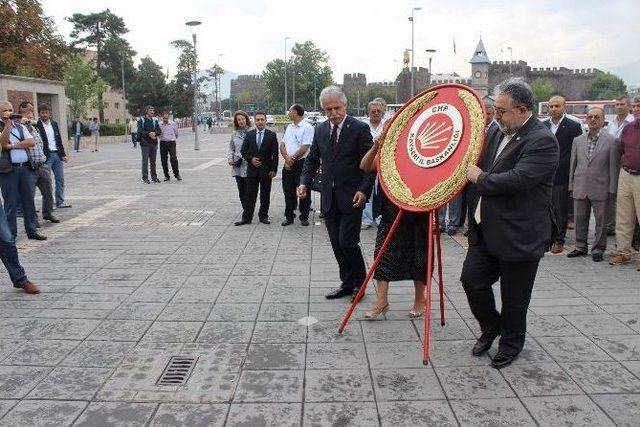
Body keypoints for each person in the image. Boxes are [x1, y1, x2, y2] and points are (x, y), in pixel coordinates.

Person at [462, 78, 559, 369]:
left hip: (520, 234)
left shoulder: (542, 141)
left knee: (514, 298)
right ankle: (491, 327)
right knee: (472, 280)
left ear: (522, 109)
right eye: (495, 110)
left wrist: (479, 178)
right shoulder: (497, 130)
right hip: (485, 230)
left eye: (502, 111)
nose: (496, 115)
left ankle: (511, 344)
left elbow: (517, 180)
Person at [298, 86, 375, 300]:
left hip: (352, 197)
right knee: (336, 243)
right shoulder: (321, 130)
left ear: (345, 105)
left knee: (347, 242)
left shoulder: (359, 128)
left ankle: (360, 283)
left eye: (337, 108)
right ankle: (346, 283)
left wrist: (363, 190)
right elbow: (312, 159)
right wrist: (303, 182)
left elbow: (371, 165)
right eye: (328, 109)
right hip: (329, 198)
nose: (333, 113)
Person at [358, 129, 427, 319]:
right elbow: (365, 166)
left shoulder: (417, 146)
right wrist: (377, 145)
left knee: (419, 254)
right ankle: (382, 301)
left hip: (418, 208)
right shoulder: (387, 149)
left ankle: (420, 299)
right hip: (390, 209)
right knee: (382, 253)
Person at [567, 107, 618, 262]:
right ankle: (580, 246)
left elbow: (613, 167)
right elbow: (573, 164)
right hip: (580, 185)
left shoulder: (612, 141)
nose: (593, 119)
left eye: (597, 117)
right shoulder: (578, 140)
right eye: (590, 117)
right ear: (586, 119)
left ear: (603, 120)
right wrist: (571, 184)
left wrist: (612, 188)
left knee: (601, 221)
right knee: (580, 218)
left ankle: (598, 249)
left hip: (601, 186)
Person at [0, 102, 39, 294]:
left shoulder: (16, 127)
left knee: (6, 239)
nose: (8, 113)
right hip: (10, 173)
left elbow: (4, 144)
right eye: (4, 111)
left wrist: (9, 126)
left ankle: (20, 278)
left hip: (23, 169)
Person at [0, 101, 47, 241]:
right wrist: (7, 125)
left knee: (29, 200)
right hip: (8, 170)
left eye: (10, 109)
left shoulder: (20, 126)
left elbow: (31, 142)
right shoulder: (3, 126)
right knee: (11, 203)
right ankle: (11, 235)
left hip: (26, 168)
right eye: (5, 110)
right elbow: (3, 143)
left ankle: (32, 230)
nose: (9, 112)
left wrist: (13, 145)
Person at [542, 96, 583, 254]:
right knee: (545, 207)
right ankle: (547, 238)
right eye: (551, 106)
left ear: (564, 107)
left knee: (560, 209)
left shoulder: (573, 126)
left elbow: (577, 152)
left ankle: (559, 239)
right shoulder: (543, 125)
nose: (553, 109)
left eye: (557, 106)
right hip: (544, 174)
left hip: (562, 174)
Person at [610, 97, 640, 270]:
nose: (636, 109)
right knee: (623, 216)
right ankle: (623, 252)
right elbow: (620, 151)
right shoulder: (628, 128)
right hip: (626, 174)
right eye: (634, 106)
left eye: (639, 106)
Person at [18, 102, 59, 225]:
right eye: (26, 114)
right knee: (29, 196)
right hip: (29, 167)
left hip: (42, 164)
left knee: (48, 192)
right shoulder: (19, 128)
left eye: (31, 113)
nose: (29, 116)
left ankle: (48, 213)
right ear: (21, 114)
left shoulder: (36, 128)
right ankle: (32, 220)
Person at [236, 112, 279, 225]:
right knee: (250, 195)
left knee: (265, 195)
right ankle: (246, 218)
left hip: (266, 171)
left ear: (265, 121)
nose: (260, 122)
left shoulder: (271, 135)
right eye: (258, 120)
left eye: (262, 119)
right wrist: (251, 159)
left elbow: (275, 154)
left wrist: (274, 169)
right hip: (252, 171)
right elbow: (243, 151)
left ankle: (263, 216)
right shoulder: (249, 135)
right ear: (254, 121)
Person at [280, 104, 314, 227]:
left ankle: (304, 216)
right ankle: (289, 216)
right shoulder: (289, 127)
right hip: (288, 164)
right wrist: (287, 159)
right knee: (287, 190)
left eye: (289, 111)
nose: (288, 113)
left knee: (303, 189)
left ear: (295, 112)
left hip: (301, 163)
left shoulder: (307, 127)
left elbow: (305, 147)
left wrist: (292, 159)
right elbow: (282, 145)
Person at [606, 96, 634, 235]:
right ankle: (610, 225)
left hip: (626, 164)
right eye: (617, 104)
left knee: (626, 199)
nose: (619, 107)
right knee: (611, 194)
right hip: (611, 163)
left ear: (628, 106)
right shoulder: (611, 124)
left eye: (622, 104)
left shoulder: (633, 122)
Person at [36, 104, 71, 209]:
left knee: (60, 179)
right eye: (42, 113)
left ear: (49, 113)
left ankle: (60, 201)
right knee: (47, 181)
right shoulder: (37, 126)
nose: (45, 114)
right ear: (39, 114)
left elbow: (58, 140)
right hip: (46, 156)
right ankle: (49, 204)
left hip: (57, 154)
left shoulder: (54, 124)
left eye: (46, 112)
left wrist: (63, 154)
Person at [361, 100, 385, 230]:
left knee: (382, 191)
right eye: (373, 111)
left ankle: (380, 217)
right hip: (367, 163)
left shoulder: (387, 124)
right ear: (368, 112)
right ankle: (367, 219)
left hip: (383, 164)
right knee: (366, 191)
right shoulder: (362, 125)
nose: (376, 113)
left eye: (379, 111)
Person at [227, 110, 251, 212]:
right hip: (237, 165)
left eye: (243, 119)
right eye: (239, 120)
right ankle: (246, 210)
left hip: (249, 165)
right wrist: (230, 158)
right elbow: (231, 148)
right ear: (236, 121)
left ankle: (249, 209)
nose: (241, 121)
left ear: (246, 119)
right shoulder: (234, 134)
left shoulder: (252, 132)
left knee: (249, 190)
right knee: (241, 189)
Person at [138, 106, 161, 184]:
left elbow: (159, 131)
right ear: (146, 111)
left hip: (154, 143)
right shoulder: (141, 120)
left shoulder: (155, 120)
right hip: (145, 143)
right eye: (150, 110)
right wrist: (149, 133)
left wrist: (155, 133)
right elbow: (140, 131)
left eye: (153, 110)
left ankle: (154, 177)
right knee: (145, 161)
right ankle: (145, 178)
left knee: (153, 161)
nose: (152, 111)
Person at [159, 112, 181, 181]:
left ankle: (177, 174)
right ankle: (166, 175)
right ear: (162, 118)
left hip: (171, 142)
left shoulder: (173, 124)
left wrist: (172, 138)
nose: (165, 119)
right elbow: (158, 132)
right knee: (163, 159)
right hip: (163, 143)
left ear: (168, 117)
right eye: (164, 118)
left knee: (174, 158)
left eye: (167, 118)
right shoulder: (159, 124)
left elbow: (176, 133)